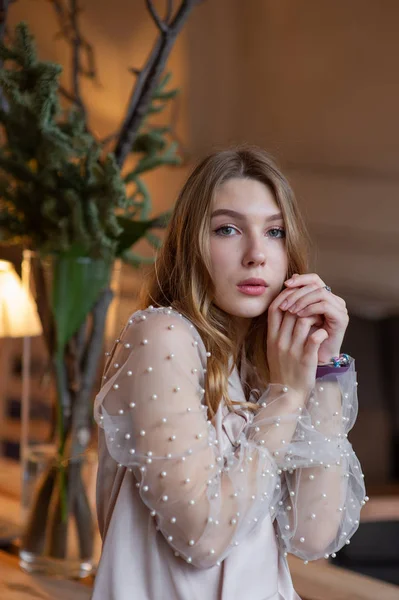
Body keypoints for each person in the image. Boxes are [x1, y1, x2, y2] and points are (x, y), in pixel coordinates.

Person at [92, 146, 367, 600]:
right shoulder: (161, 336)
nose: (257, 254)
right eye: (228, 229)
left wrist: (322, 368)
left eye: (275, 231)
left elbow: (312, 536)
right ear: (191, 243)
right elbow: (201, 538)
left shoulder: (266, 365)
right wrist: (287, 398)